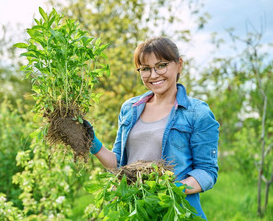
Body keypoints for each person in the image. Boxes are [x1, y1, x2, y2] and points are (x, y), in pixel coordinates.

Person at [85, 37, 219, 220]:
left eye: (161, 65)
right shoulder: (129, 109)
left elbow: (207, 172)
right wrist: (91, 142)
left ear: (179, 64)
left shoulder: (197, 113)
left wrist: (168, 189)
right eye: (145, 69)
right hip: (135, 211)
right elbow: (118, 165)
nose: (154, 75)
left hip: (176, 212)